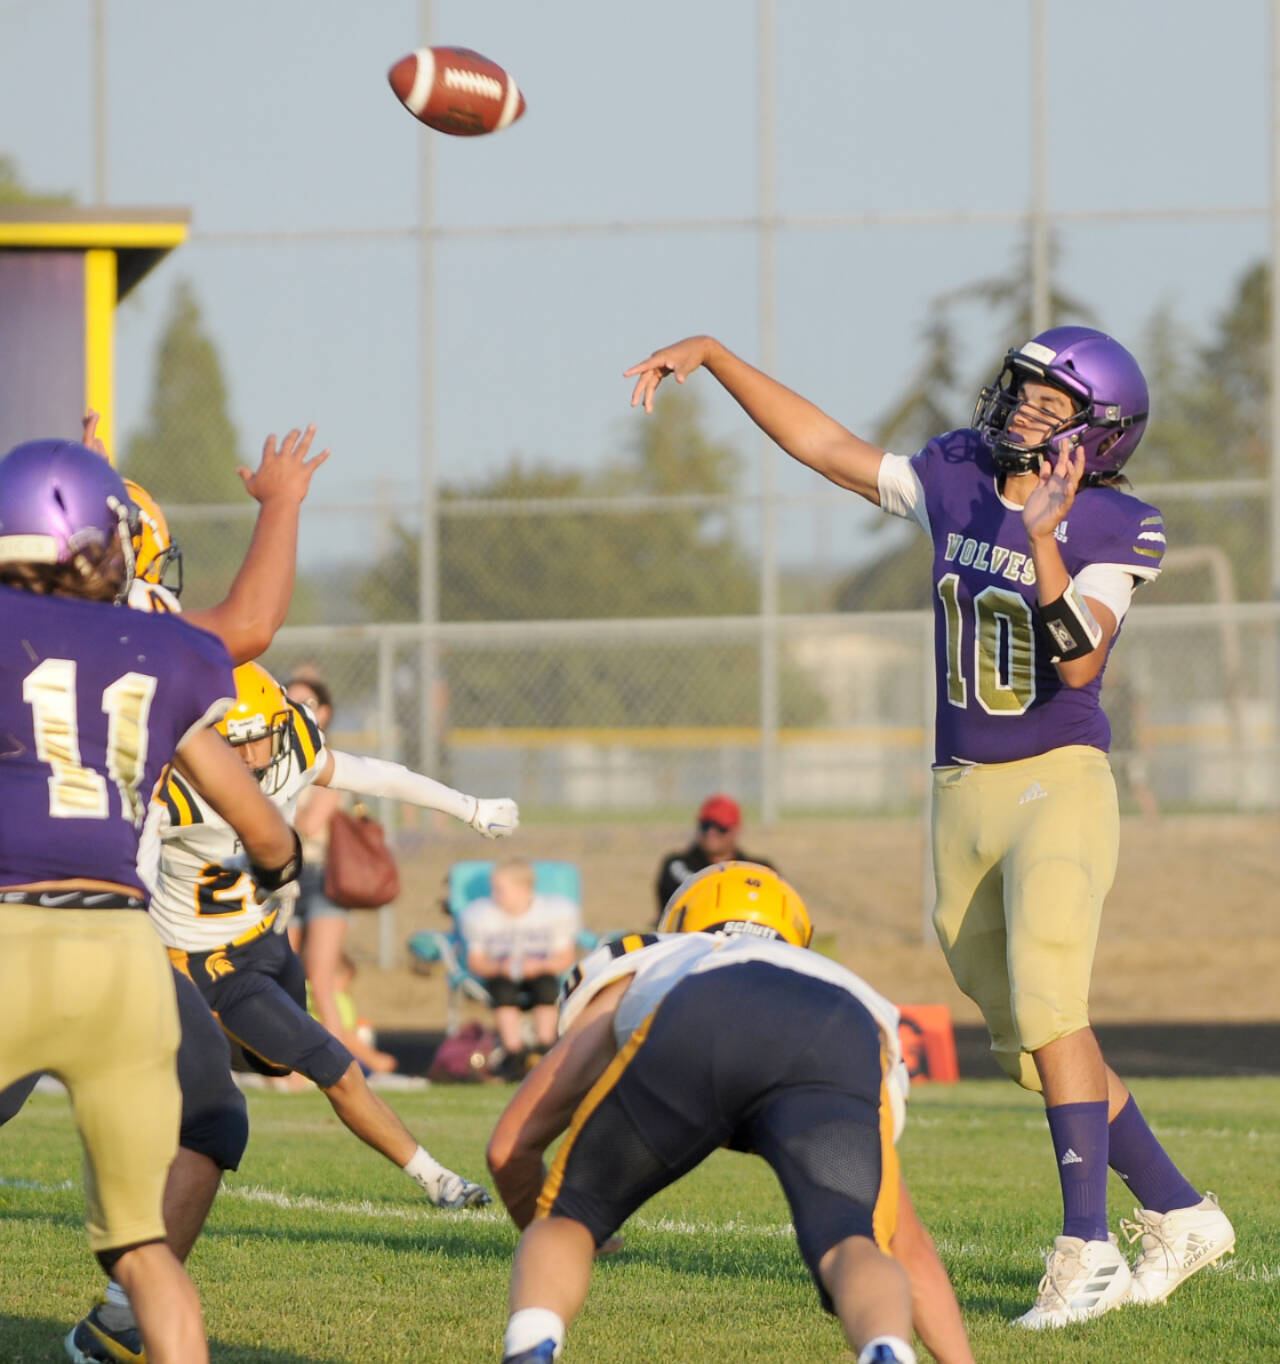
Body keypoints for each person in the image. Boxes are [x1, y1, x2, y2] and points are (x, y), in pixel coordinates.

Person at [624, 327, 1234, 1326]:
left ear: (1099, 434)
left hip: (1057, 778)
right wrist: (721, 360)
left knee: (1048, 989)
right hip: (960, 790)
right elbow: (826, 449)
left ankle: (1084, 1246)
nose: (1020, 410)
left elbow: (1080, 663)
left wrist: (1041, 537)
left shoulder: (1116, 521)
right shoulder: (954, 474)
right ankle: (1176, 1207)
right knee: (1030, 1042)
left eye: (1047, 403)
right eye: (1021, 392)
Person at [0, 415, 329, 1364]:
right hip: (121, 950)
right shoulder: (153, 647)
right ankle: (124, 1320)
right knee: (192, 1156)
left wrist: (63, 470)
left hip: (13, 935)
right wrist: (281, 502)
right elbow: (255, 631)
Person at [486, 863, 974, 1364]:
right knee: (854, 1239)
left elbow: (510, 1148)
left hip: (704, 1006)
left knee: (570, 1216)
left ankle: (530, 1346)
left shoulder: (658, 953)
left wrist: (556, 1231)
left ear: (684, 917)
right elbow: (908, 1248)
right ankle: (885, 1346)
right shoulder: (841, 982)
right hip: (840, 1027)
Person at [147, 661, 519, 1210]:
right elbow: (124, 857)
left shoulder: (293, 741)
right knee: (334, 1066)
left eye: (260, 740)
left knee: (277, 1062)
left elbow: (377, 775)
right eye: (234, 746)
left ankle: (179, 1045)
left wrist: (469, 807)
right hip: (206, 962)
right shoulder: (172, 787)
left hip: (270, 937)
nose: (252, 758)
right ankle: (439, 1181)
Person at [283, 672, 400, 1075]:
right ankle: (293, 1069)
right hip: (283, 874)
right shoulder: (274, 759)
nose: (297, 710)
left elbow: (312, 824)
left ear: (326, 712)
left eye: (308, 703)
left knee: (320, 976)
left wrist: (267, 812)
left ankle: (339, 1070)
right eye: (289, 701)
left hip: (322, 879)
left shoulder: (328, 762)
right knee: (286, 975)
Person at [461, 858, 582, 1073]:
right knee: (502, 988)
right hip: (500, 973)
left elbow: (565, 957)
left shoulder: (554, 912)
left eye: (501, 890)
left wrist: (539, 966)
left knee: (545, 985)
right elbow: (476, 961)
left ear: (524, 888)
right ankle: (513, 1053)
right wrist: (499, 968)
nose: (495, 895)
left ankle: (545, 1047)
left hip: (542, 971)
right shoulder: (480, 914)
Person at [654, 792, 776, 920]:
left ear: (737, 829)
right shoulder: (677, 864)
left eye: (721, 827)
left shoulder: (760, 869)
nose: (711, 832)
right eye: (706, 825)